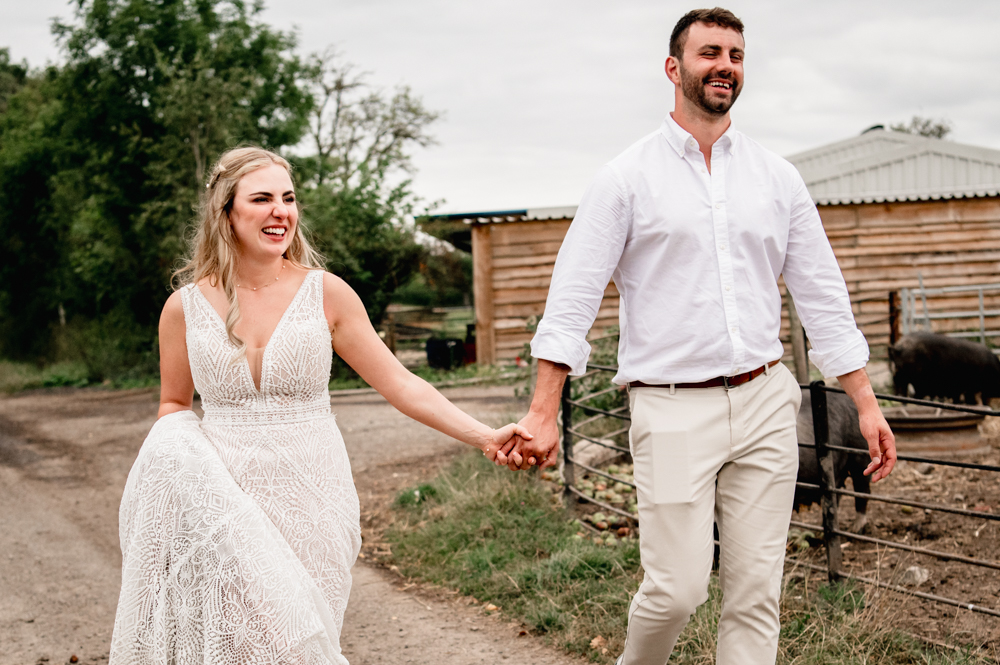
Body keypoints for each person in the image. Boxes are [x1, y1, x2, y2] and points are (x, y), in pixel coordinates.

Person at [505, 8, 896, 665]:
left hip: (766, 401)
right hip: (672, 407)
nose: (725, 66)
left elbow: (824, 298)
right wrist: (543, 411)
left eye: (736, 55)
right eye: (710, 52)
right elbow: (571, 301)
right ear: (674, 67)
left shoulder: (777, 178)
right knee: (677, 588)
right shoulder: (625, 179)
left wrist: (865, 402)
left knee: (755, 594)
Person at [110, 146, 529, 665]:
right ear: (227, 211)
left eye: (288, 198)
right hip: (226, 501)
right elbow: (173, 406)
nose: (280, 211)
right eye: (261, 198)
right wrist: (181, 495)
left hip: (314, 494)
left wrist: (485, 435)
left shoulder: (326, 294)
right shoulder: (183, 307)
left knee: (305, 642)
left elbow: (402, 385)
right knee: (241, 646)